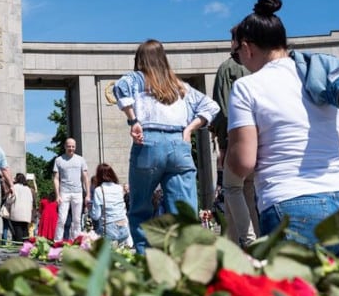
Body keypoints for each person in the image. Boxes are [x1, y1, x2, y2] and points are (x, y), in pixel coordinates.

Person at [226, 0, 339, 257]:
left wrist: (230, 154)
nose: (240, 59)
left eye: (236, 54)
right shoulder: (327, 73)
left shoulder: (246, 87)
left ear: (247, 47)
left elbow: (244, 162)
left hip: (292, 204)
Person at [112, 39, 219, 254]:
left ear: (140, 60)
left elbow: (120, 87)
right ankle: (185, 256)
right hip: (179, 144)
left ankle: (145, 256)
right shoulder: (180, 87)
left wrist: (133, 121)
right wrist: (189, 130)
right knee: (184, 208)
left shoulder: (138, 79)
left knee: (141, 206)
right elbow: (211, 106)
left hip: (148, 142)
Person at [212, 31, 258, 248]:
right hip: (259, 141)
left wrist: (222, 146)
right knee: (246, 193)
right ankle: (240, 246)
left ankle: (247, 244)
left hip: (236, 140)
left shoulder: (227, 68)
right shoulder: (258, 67)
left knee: (233, 190)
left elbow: (222, 110)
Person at [53, 138, 89, 241]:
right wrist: (57, 195)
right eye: (69, 146)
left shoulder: (81, 159)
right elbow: (55, 178)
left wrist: (87, 194)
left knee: (77, 220)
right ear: (65, 146)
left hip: (78, 192)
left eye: (73, 146)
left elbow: (85, 177)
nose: (71, 148)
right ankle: (57, 241)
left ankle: (76, 241)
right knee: (61, 219)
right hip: (64, 192)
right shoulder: (59, 160)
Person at [90, 164, 132, 247]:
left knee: (92, 241)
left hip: (109, 229)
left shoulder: (99, 190)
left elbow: (96, 216)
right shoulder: (119, 188)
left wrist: (90, 209)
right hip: (124, 228)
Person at [7, 173, 34, 242]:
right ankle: (26, 247)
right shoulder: (28, 189)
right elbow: (31, 201)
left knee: (17, 230)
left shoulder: (14, 187)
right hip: (26, 214)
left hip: (16, 213)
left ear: (17, 179)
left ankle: (18, 248)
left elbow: (10, 200)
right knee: (25, 231)